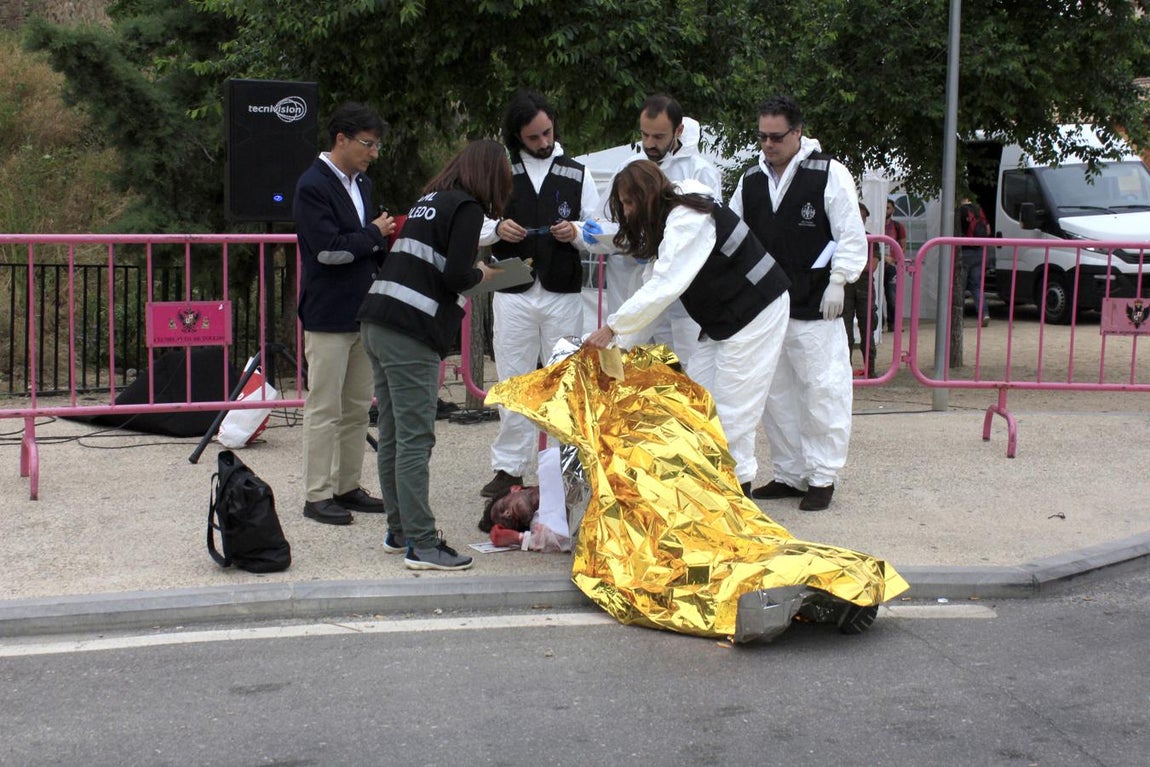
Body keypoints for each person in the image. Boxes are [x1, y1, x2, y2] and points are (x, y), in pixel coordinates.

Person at [583, 160, 791, 496]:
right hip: (724, 315)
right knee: (698, 402)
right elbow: (653, 291)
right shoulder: (675, 214)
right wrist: (617, 345)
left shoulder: (687, 218)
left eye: (630, 202)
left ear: (648, 195)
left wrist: (612, 329)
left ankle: (738, 492)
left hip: (756, 308)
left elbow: (664, 287)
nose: (626, 210)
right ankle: (716, 488)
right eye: (623, 203)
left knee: (731, 409)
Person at [357, 139, 511, 571]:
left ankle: (399, 530)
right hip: (410, 332)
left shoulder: (431, 200)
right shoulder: (467, 208)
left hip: (377, 321)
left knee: (392, 434)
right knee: (414, 439)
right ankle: (422, 544)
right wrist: (492, 273)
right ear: (489, 174)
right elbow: (458, 274)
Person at [729, 95, 868, 511]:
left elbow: (850, 233)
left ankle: (823, 475)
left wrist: (840, 281)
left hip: (814, 302)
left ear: (798, 132)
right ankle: (790, 472)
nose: (769, 144)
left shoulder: (828, 173)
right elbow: (733, 234)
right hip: (767, 307)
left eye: (776, 136)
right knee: (776, 394)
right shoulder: (751, 179)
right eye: (763, 136)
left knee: (822, 388)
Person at [477, 90, 600, 500]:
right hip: (512, 290)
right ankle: (509, 468)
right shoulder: (498, 172)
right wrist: (496, 230)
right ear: (517, 137)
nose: (544, 142)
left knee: (565, 380)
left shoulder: (577, 173)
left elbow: (598, 231)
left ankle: (570, 466)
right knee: (514, 379)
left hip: (562, 291)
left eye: (547, 133)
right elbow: (471, 224)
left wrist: (577, 232)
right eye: (533, 137)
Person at [293, 101, 393, 526]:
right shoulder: (312, 185)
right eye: (367, 144)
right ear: (341, 139)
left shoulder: (363, 185)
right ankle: (317, 495)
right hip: (327, 313)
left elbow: (361, 242)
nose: (373, 153)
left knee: (355, 407)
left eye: (376, 146)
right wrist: (373, 235)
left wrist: (374, 239)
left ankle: (347, 485)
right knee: (324, 407)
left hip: (361, 311)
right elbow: (329, 249)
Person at [582, 95, 724, 372]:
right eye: (645, 135)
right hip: (635, 287)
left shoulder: (699, 174)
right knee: (637, 368)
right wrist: (593, 234)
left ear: (678, 131)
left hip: (683, 298)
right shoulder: (628, 168)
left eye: (658, 136)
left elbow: (696, 243)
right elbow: (611, 220)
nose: (650, 144)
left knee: (689, 369)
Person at [843, 203, 879, 378]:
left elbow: (873, 265)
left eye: (863, 217)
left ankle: (870, 371)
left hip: (864, 289)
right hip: (846, 290)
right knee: (845, 333)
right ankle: (845, 372)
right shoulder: (842, 237)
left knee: (868, 330)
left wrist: (849, 266)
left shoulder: (871, 239)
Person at [957, 194, 992, 327]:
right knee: (977, 286)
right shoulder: (978, 209)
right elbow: (987, 230)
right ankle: (984, 313)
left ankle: (958, 317)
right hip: (980, 251)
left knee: (960, 286)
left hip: (966, 251)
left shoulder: (961, 211)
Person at [883, 198, 907, 331]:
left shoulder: (898, 226)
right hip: (877, 263)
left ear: (893, 210)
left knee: (892, 297)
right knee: (874, 297)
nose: (886, 210)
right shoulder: (876, 224)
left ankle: (894, 324)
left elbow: (902, 246)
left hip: (891, 265)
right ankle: (877, 325)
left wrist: (894, 258)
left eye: (888, 208)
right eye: (884, 208)